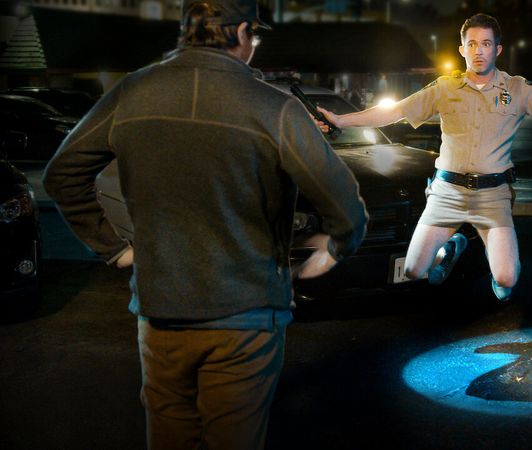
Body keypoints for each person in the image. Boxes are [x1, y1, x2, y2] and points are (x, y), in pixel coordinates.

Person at [43, 0, 368, 448]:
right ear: (241, 32)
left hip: (162, 310)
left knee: (169, 436)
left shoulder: (133, 93)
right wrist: (335, 249)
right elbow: (346, 209)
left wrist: (114, 248)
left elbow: (61, 176)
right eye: (254, 35)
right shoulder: (274, 108)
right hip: (247, 313)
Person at [317, 13, 532, 301]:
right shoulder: (444, 88)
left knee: (505, 282)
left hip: (493, 195)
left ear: (498, 49)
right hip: (446, 193)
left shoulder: (518, 89)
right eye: (472, 44)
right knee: (413, 271)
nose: (479, 51)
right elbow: (393, 111)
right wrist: (341, 120)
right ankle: (452, 245)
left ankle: (491, 257)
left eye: (486, 43)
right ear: (462, 50)